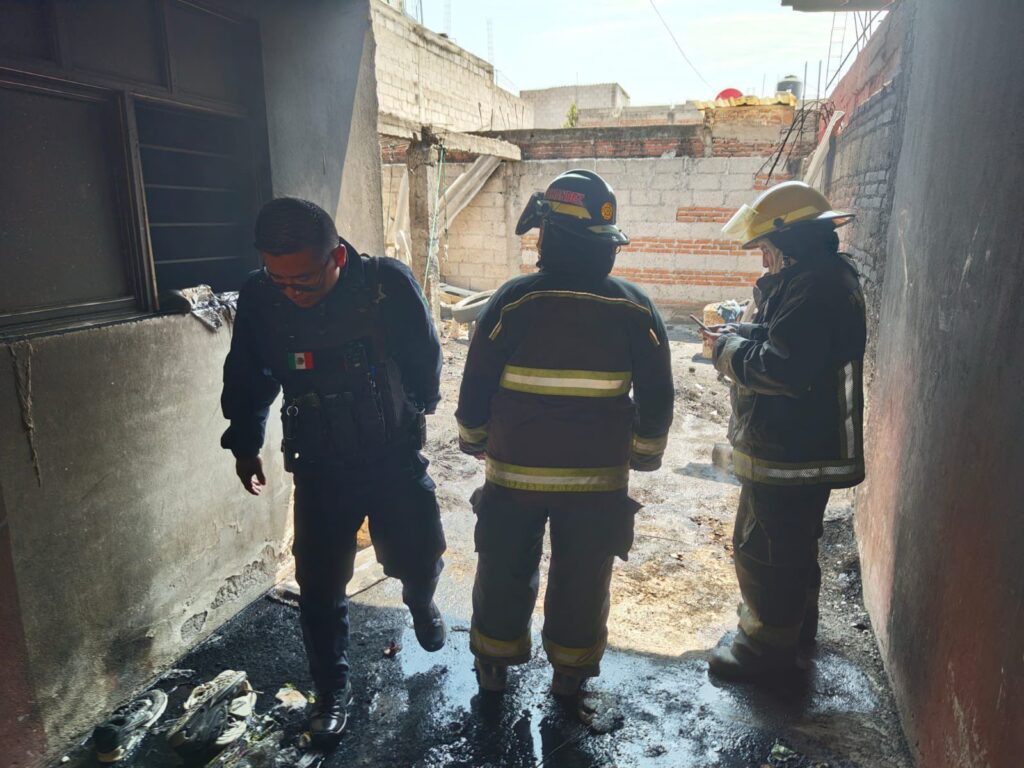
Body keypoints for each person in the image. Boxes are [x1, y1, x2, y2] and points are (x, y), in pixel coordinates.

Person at [220, 198, 446, 745]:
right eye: (278, 278)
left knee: (418, 555)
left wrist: (415, 406)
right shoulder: (260, 296)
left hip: (392, 457)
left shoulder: (385, 284)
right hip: (321, 466)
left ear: (337, 256)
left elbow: (425, 357)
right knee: (319, 587)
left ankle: (420, 600)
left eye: (303, 279)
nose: (290, 292)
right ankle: (330, 690)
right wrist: (245, 443)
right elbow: (248, 375)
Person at [456, 170, 674, 700]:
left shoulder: (513, 300)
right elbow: (657, 397)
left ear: (547, 235)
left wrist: (474, 438)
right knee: (583, 579)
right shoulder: (634, 308)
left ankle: (493, 667)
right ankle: (570, 677)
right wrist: (645, 453)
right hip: (597, 485)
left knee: (504, 569)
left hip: (514, 477)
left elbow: (476, 383)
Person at [702, 181, 866, 681]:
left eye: (767, 249)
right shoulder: (817, 278)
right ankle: (795, 631)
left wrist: (724, 351)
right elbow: (787, 337)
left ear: (790, 241)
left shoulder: (815, 287)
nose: (764, 260)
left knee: (764, 550)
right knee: (792, 546)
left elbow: (783, 367)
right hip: (800, 446)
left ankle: (763, 653)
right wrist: (741, 332)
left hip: (789, 451)